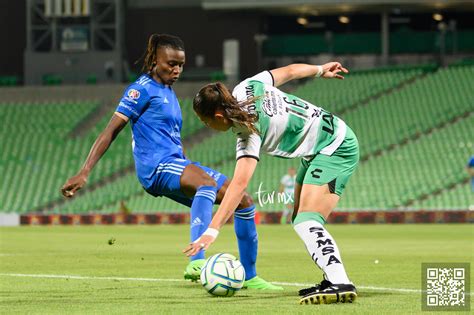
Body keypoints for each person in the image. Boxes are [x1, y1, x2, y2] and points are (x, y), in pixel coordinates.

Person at [61, 34, 281, 290]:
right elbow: (110, 130)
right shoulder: (140, 89)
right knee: (206, 184)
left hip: (174, 161)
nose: (176, 70)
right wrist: (84, 171)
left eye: (180, 65)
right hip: (155, 167)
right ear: (155, 59)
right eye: (170, 64)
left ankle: (251, 276)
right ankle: (196, 262)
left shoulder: (169, 92)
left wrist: (185, 164)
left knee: (243, 200)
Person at [184, 62, 359, 304]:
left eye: (206, 123)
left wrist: (211, 231)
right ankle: (332, 278)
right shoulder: (246, 87)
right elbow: (289, 72)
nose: (208, 128)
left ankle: (340, 282)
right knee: (299, 219)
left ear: (217, 116)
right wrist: (320, 70)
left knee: (308, 221)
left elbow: (238, 186)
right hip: (319, 145)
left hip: (335, 147)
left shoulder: (249, 131)